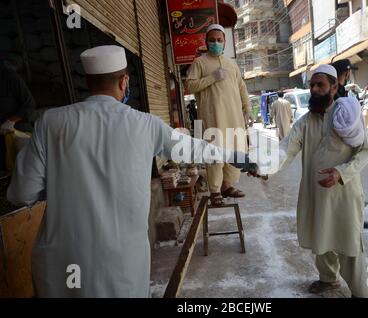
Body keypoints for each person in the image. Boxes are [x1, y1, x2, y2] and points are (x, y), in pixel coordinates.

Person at [7, 45, 258, 298]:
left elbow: (20, 194)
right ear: (124, 82)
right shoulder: (145, 125)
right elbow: (194, 149)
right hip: (121, 266)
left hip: (61, 266)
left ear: (87, 82)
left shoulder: (51, 122)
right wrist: (235, 157)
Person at [278, 65, 368, 298]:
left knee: (350, 248)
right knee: (322, 241)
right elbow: (285, 150)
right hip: (317, 194)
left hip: (344, 194)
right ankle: (329, 280)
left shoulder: (348, 116)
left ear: (334, 86)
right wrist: (262, 166)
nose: (315, 89)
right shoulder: (305, 122)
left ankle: (362, 293)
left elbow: (364, 152)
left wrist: (341, 173)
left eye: (320, 84)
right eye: (312, 85)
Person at [186, 24, 253, 206]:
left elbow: (241, 87)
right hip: (212, 116)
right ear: (206, 42)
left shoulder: (232, 64)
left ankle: (227, 185)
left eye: (219, 40)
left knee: (234, 150)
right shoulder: (199, 63)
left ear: (224, 42)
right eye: (212, 40)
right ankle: (215, 190)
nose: (216, 43)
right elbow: (190, 85)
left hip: (234, 116)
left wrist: (247, 108)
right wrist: (212, 78)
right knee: (214, 152)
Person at [332, 59, 368, 230]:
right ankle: (353, 221)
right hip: (344, 146)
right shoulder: (336, 91)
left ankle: (357, 218)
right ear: (347, 72)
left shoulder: (341, 90)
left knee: (353, 189)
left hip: (348, 145)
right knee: (349, 190)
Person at [0, 60, 36, 173]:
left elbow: (29, 104)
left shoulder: (10, 77)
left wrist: (11, 121)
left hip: (17, 133)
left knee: (25, 171)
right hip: (1, 139)